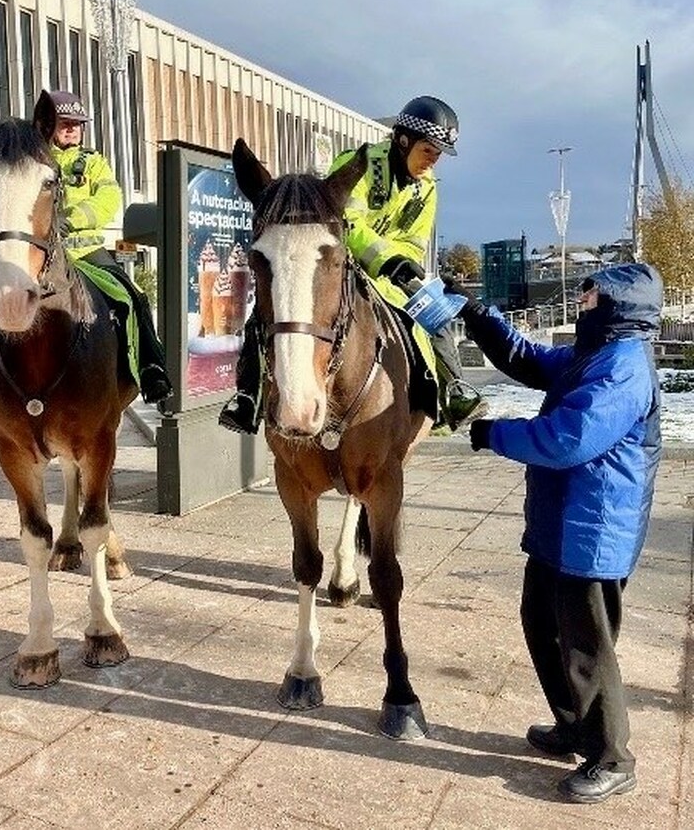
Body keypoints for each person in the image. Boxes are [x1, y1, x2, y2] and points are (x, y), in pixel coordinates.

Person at [453, 262, 662, 803]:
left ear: (620, 308)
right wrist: (476, 315)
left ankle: (613, 756)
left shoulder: (623, 368)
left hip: (593, 533)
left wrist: (492, 433)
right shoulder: (588, 355)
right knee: (542, 624)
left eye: (591, 296)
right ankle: (574, 725)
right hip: (558, 526)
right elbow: (528, 359)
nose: (581, 301)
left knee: (588, 647)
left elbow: (568, 439)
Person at [218, 95, 486, 434]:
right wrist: (386, 258)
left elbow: (415, 239)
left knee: (438, 316)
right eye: (429, 150)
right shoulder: (361, 165)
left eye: (438, 155)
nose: (432, 162)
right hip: (340, 265)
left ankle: (454, 390)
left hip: (397, 273)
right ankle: (248, 396)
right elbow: (349, 222)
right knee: (267, 317)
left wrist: (401, 264)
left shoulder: (428, 188)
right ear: (403, 141)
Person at [0, 90, 173, 416]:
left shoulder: (93, 163)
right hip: (39, 254)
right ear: (52, 126)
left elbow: (108, 200)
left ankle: (151, 370)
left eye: (76, 125)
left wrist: (70, 220)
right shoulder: (30, 157)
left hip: (86, 252)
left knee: (131, 295)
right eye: (64, 124)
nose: (70, 130)